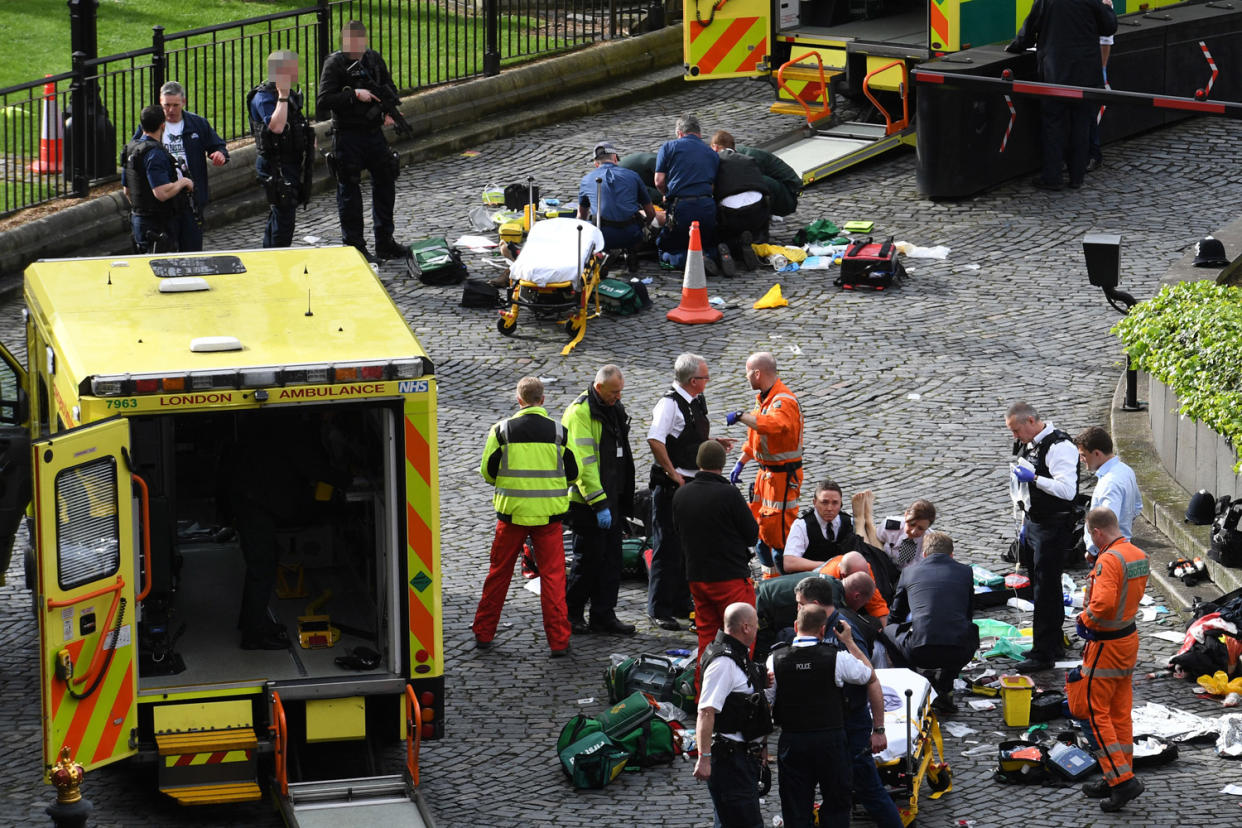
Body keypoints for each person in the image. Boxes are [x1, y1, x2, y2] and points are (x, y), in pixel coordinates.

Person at [473, 377, 577, 656]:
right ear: (542, 400)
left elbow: (487, 472)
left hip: (511, 515)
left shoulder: (501, 431)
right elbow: (574, 473)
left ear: (518, 400)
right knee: (553, 579)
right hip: (548, 518)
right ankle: (559, 642)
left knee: (498, 575)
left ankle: (483, 633)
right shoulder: (560, 432)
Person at [766, 604, 883, 828]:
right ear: (823, 630)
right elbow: (869, 674)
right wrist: (849, 642)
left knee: (795, 807)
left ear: (794, 626)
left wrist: (761, 744)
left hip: (793, 740)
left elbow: (767, 703)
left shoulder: (775, 659)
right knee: (837, 805)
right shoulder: (837, 658)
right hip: (831, 740)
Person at [646, 353, 734, 630]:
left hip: (691, 482)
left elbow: (688, 436)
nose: (708, 381)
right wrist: (673, 474)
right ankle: (659, 607)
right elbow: (655, 439)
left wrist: (711, 442)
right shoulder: (669, 404)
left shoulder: (694, 401)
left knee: (687, 547)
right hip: (674, 485)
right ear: (694, 380)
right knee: (666, 546)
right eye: (706, 377)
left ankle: (681, 601)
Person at [318, 20, 409, 263]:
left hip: (373, 133)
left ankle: (385, 242)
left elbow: (388, 87)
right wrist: (354, 95)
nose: (356, 49)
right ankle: (355, 248)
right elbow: (324, 101)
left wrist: (390, 110)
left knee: (386, 179)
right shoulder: (335, 63)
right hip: (348, 135)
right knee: (349, 191)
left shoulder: (373, 59)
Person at [1075, 507, 1148, 812]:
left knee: (1094, 712)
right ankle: (1118, 771)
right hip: (1127, 640)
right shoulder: (1137, 555)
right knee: (1119, 712)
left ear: (1097, 532)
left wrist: (1084, 619)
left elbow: (1102, 604)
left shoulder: (1108, 560)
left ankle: (1121, 781)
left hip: (1105, 645)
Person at [673, 440, 759, 686]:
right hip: (730, 579)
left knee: (707, 640)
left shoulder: (681, 494)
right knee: (742, 638)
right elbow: (751, 534)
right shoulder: (729, 494)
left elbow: (678, 531)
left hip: (697, 578)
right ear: (722, 465)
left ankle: (704, 695)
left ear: (699, 463)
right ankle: (737, 695)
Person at [1007, 0, 1117, 190]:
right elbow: (1108, 28)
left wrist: (1016, 46)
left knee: (1053, 124)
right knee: (1081, 125)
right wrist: (1107, 8)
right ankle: (1077, 177)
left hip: (1055, 73)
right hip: (1085, 73)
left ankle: (1052, 177)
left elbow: (1031, 27)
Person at [562, 365, 636, 636]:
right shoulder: (580, 413)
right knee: (587, 562)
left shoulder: (612, 408)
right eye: (614, 392)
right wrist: (599, 503)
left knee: (611, 561)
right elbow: (584, 464)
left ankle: (603, 615)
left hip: (611, 499)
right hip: (588, 504)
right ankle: (571, 614)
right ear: (598, 388)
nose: (618, 396)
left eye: (620, 391)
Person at [1006, 400, 1079, 672]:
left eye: (1016, 430)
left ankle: (1044, 652)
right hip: (1036, 522)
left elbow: (1067, 491)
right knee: (1041, 585)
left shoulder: (1059, 447)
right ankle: (1049, 641)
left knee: (1046, 589)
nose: (1015, 437)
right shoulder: (1032, 443)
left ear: (1031, 422)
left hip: (1054, 525)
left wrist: (1034, 478)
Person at [693, 602, 772, 827]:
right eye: (756, 626)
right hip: (731, 762)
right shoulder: (723, 662)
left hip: (742, 757)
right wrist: (704, 758)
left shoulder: (736, 653)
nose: (758, 631)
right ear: (745, 627)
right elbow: (706, 711)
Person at [125, 81, 228, 252]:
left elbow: (217, 145)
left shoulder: (197, 124)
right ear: (160, 102)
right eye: (166, 105)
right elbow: (135, 155)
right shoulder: (149, 127)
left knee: (192, 251)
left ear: (184, 102)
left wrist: (220, 154)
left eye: (175, 105)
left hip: (189, 200)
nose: (171, 110)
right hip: (165, 204)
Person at [883, 531, 979, 714]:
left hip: (919, 649)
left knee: (887, 631)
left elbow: (896, 615)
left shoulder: (909, 572)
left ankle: (913, 681)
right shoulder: (965, 572)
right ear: (952, 554)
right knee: (969, 630)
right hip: (959, 650)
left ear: (924, 554)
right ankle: (945, 685)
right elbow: (968, 614)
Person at [727, 352, 804, 575]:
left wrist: (741, 416)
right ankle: (770, 582)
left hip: (782, 480)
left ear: (757, 373)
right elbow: (757, 438)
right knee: (761, 531)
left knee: (779, 537)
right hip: (768, 477)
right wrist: (741, 461)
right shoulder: (766, 399)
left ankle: (785, 585)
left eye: (747, 374)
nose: (746, 378)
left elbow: (770, 426)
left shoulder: (783, 402)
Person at [248, 50, 315, 248]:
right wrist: (283, 97)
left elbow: (294, 124)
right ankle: (278, 258)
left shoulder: (286, 94)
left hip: (290, 163)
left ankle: (268, 253)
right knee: (284, 219)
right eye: (293, 69)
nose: (297, 72)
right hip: (275, 166)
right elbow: (276, 127)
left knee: (282, 215)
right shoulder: (264, 98)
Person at [121, 105, 194, 253]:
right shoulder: (155, 154)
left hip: (138, 222)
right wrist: (183, 182)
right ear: (163, 125)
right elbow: (161, 193)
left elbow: (127, 190)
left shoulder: (131, 148)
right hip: (158, 226)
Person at [654, 114, 719, 271]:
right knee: (705, 240)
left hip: (682, 207)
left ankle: (689, 260)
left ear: (679, 133)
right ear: (700, 133)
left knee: (666, 247)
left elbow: (659, 181)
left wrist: (665, 194)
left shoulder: (669, 147)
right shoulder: (712, 153)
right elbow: (712, 185)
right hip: (707, 207)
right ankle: (714, 254)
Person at [577, 140, 656, 263]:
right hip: (631, 234)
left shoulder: (586, 180)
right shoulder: (633, 175)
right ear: (615, 158)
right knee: (640, 220)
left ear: (596, 164)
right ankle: (632, 249)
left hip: (602, 235)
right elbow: (651, 212)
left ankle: (602, 254)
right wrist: (645, 227)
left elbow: (581, 217)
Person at [1074, 426, 1142, 561]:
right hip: (1120, 548)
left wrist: (1092, 551)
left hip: (1109, 554)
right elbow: (1137, 507)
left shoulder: (1109, 483)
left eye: (1083, 455)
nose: (1081, 460)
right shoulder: (1126, 470)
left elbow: (1105, 526)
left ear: (1097, 454)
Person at [709, 130, 770, 272]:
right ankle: (756, 241)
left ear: (715, 147)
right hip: (758, 212)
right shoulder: (748, 159)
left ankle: (731, 247)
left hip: (731, 215)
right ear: (734, 147)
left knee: (717, 215)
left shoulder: (714, 162)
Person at [782, 480, 855, 573]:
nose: (829, 508)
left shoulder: (850, 522)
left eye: (835, 503)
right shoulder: (802, 525)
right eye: (824, 502)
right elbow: (789, 563)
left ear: (841, 503)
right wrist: (830, 566)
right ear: (815, 502)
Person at [855, 493, 937, 571]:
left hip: (911, 575)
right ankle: (865, 521)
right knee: (868, 549)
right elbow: (877, 541)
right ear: (906, 515)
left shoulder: (930, 542)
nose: (913, 531)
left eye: (921, 528)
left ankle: (868, 520)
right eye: (911, 524)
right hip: (887, 565)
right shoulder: (891, 526)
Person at [819, 553, 888, 625]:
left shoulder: (863, 570)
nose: (865, 577)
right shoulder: (826, 584)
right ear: (844, 576)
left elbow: (877, 606)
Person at [1086, 35, 1112, 172]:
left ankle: (1094, 155)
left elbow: (1106, 39)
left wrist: (1101, 70)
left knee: (1090, 115)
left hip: (1091, 71)